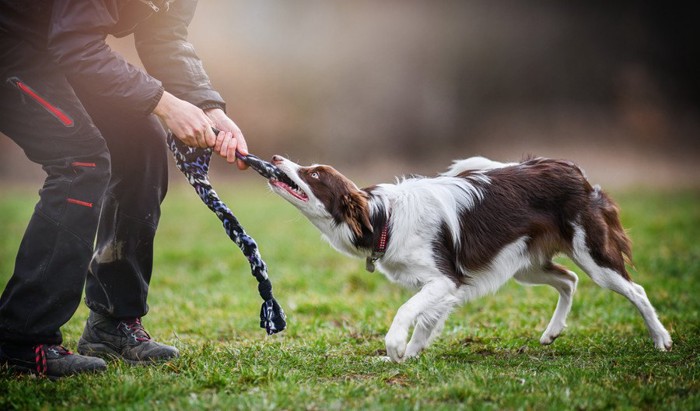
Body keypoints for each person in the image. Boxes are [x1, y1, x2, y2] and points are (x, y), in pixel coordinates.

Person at [0, 0, 248, 378]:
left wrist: (206, 105)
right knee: (81, 160)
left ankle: (112, 323)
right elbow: (76, 46)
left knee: (141, 141)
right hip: (14, 47)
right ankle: (19, 338)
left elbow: (165, 36)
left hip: (58, 48)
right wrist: (165, 104)